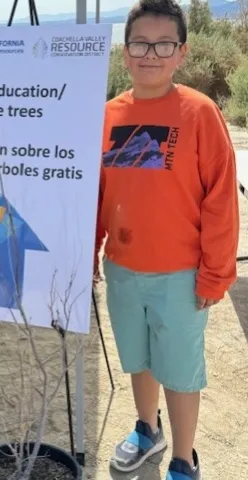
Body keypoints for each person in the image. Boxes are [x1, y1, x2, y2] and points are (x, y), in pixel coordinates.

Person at [94, 1, 239, 479]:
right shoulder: (108, 113)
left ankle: (183, 459)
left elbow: (220, 200)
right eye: (139, 43)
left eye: (163, 44)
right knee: (138, 357)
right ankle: (145, 429)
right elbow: (97, 193)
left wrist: (215, 273)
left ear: (181, 51)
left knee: (178, 370)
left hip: (180, 275)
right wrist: (88, 251)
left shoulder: (199, 112)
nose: (149, 54)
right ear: (125, 49)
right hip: (123, 268)